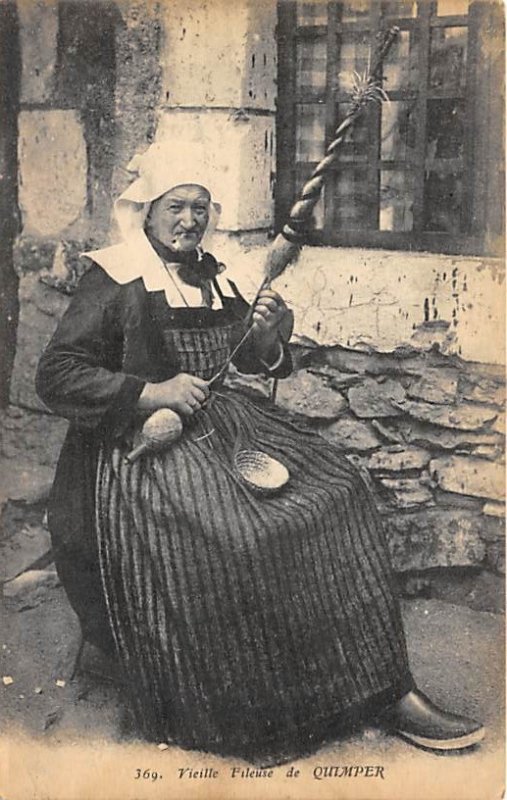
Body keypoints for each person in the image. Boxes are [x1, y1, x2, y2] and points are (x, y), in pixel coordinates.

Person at [36, 140, 484, 763]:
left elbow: (249, 361)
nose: (190, 220)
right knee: (240, 535)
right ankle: (264, 707)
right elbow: (56, 374)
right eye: (176, 207)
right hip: (139, 446)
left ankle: (387, 688)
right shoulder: (112, 276)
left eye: (200, 207)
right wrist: (149, 391)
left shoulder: (214, 273)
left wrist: (270, 334)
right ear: (146, 210)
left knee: (341, 493)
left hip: (226, 428)